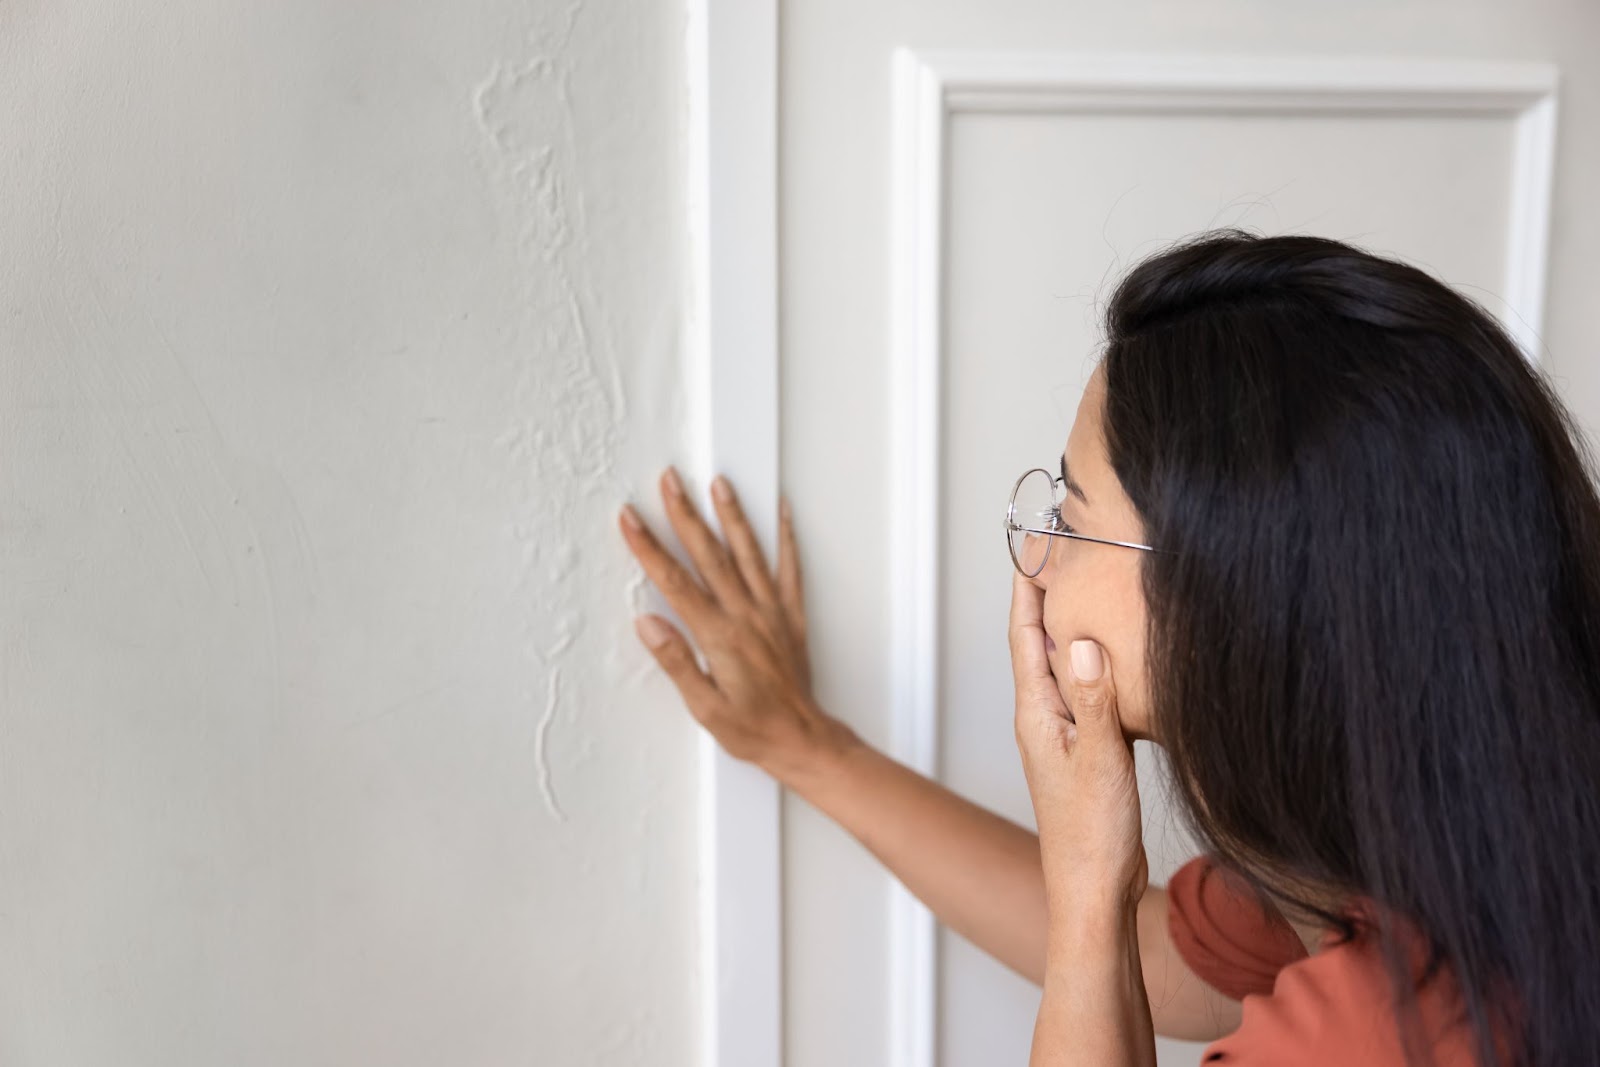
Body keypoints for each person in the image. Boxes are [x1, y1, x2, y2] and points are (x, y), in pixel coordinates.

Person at [615, 229, 1600, 1065]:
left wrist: (1089, 897)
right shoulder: (1440, 833)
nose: (1035, 555)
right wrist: (804, 744)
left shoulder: (1365, 1033)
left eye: (1071, 518)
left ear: (1228, 599)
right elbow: (1172, 960)